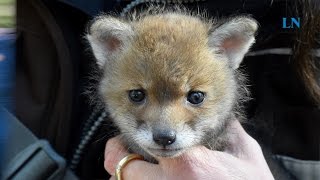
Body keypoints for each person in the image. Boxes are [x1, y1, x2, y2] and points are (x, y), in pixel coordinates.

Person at [103, 0, 320, 179]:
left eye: (195, 97)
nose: (164, 131)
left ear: (230, 47)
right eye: (138, 95)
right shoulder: (75, 15)